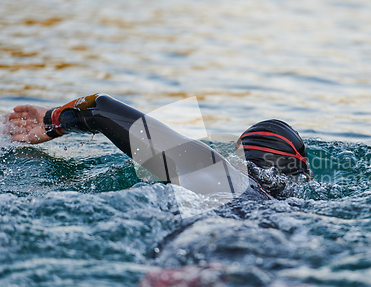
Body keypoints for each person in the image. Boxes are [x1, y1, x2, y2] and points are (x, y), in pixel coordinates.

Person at [3, 93, 311, 199]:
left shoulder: (215, 169)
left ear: (238, 155)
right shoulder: (303, 210)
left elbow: (100, 108)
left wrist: (51, 120)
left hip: (201, 243)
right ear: (304, 174)